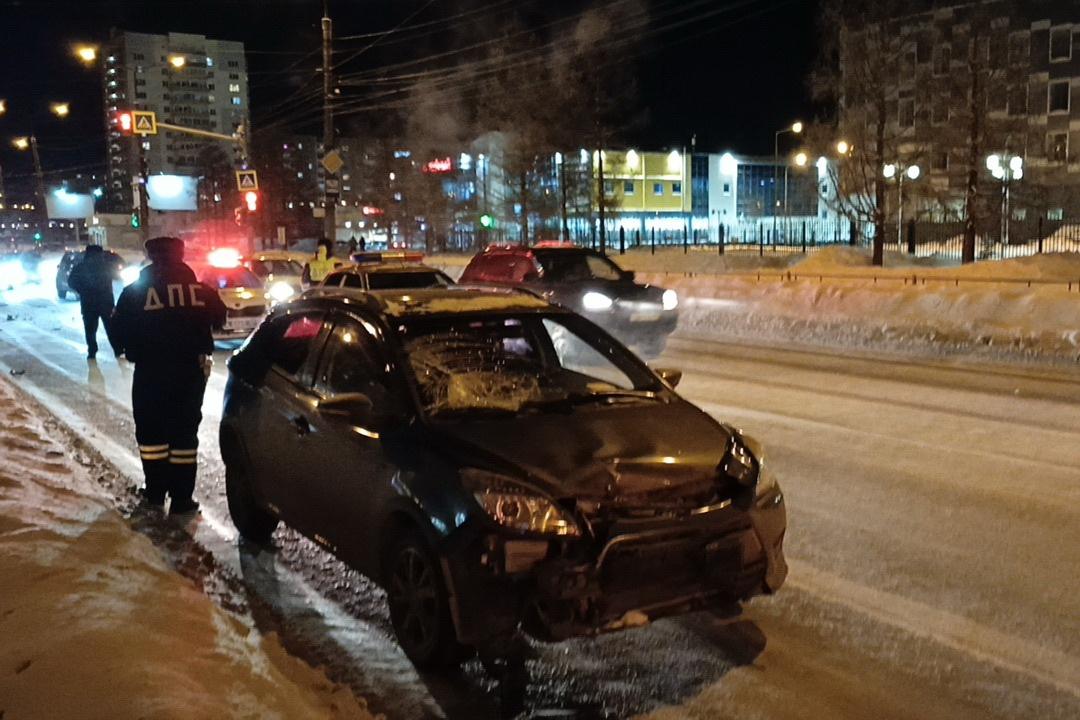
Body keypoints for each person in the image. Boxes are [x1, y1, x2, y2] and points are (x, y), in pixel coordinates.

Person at [111, 236, 226, 514]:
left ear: (151, 256)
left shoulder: (135, 292)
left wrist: (128, 349)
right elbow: (220, 319)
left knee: (152, 431)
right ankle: (182, 498)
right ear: (181, 255)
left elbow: (117, 329)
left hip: (151, 371)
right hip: (190, 372)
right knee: (184, 433)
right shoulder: (200, 290)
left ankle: (155, 492)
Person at [66, 244, 119, 359]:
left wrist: (82, 290)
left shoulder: (81, 267)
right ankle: (118, 350)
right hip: (106, 302)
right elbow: (116, 276)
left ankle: (92, 351)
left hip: (88, 302)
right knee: (111, 328)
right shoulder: (105, 266)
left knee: (90, 330)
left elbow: (71, 282)